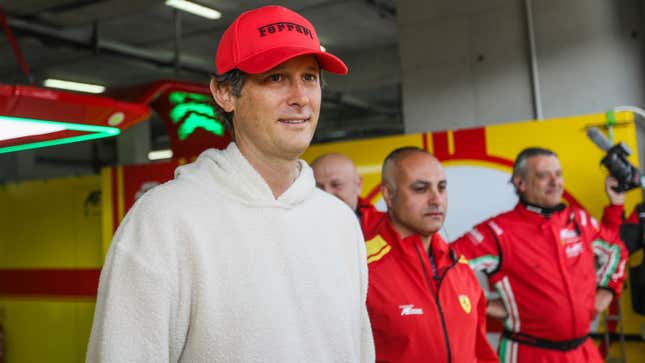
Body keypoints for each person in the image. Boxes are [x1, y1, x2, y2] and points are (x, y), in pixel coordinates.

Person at [87, 5, 374, 362]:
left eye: (309, 77)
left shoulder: (339, 222)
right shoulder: (164, 220)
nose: (300, 97)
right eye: (276, 77)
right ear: (224, 93)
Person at [452, 147, 628, 363]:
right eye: (544, 175)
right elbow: (443, 266)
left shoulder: (578, 219)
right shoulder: (497, 231)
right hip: (529, 353)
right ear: (520, 183)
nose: (555, 182)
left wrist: (606, 291)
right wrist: (482, 304)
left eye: (558, 174)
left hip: (583, 351)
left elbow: (616, 249)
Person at [362, 146, 499, 363]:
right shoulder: (362, 269)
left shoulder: (460, 268)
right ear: (388, 194)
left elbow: (480, 353)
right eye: (420, 188)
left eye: (441, 187)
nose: (436, 199)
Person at [311, 153, 377, 224]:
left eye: (336, 185)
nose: (327, 194)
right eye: (318, 187)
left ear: (358, 185)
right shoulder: (299, 226)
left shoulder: (384, 227)